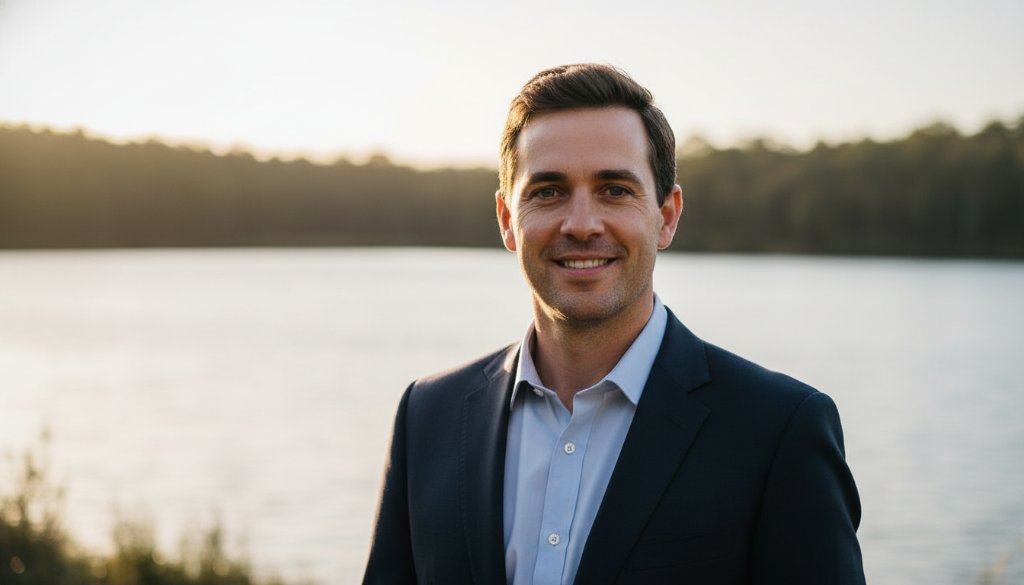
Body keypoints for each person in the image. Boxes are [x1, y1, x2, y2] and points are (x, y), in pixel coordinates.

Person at [363, 63, 865, 585]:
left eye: (615, 190)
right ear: (508, 220)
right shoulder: (427, 415)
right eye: (548, 191)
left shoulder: (778, 430)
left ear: (666, 216)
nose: (581, 224)